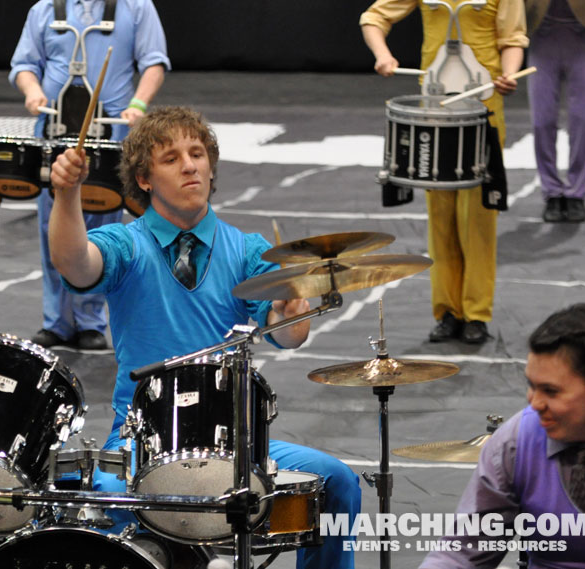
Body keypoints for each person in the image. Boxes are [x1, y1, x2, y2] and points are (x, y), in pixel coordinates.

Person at [48, 106, 361, 569]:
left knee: (338, 483)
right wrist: (67, 193)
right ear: (146, 179)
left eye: (197, 153)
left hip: (238, 444)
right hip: (141, 442)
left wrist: (295, 309)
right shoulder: (127, 244)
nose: (190, 164)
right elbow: (76, 263)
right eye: (171, 158)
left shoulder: (249, 250)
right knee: (108, 497)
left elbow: (290, 334)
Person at [360, 0, 529, 344]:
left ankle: (476, 314)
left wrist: (508, 74)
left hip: (483, 107)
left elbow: (513, 38)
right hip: (435, 109)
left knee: (479, 218)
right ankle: (447, 312)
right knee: (441, 218)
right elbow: (374, 17)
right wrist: (383, 54)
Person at [9, 0, 170, 350]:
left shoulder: (136, 7)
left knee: (101, 226)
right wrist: (33, 91)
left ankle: (91, 322)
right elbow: (24, 64)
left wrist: (138, 105)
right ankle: (57, 322)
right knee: (51, 225)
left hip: (109, 132)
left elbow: (154, 60)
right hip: (54, 131)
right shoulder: (44, 9)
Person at [420, 302, 585, 567]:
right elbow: (463, 551)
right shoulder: (516, 442)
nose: (534, 403)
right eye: (531, 386)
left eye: (551, 391)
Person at [526, 0, 585, 223]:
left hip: (581, 37)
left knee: (584, 119)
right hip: (543, 37)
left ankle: (576, 193)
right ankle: (552, 193)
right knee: (542, 120)